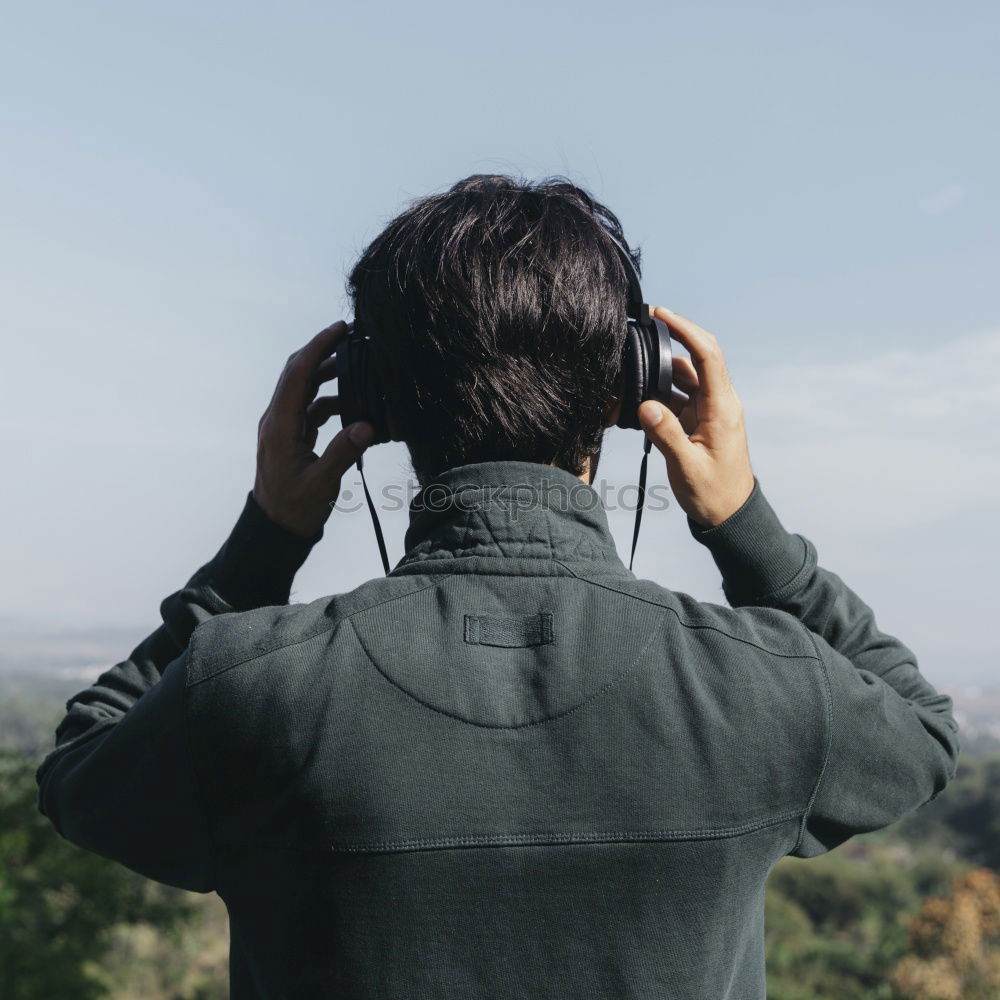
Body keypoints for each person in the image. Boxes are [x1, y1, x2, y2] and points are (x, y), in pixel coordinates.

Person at [36, 174, 961, 999]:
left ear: (371, 403)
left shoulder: (247, 691)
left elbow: (82, 770)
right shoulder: (766, 692)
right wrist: (744, 521)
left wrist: (263, 543)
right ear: (630, 388)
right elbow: (921, 732)